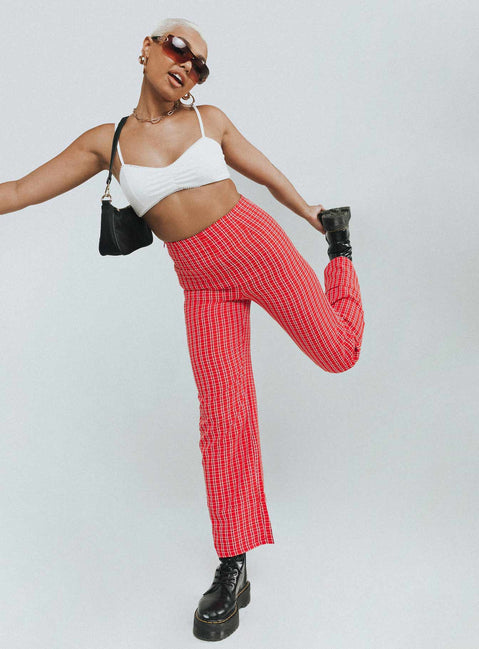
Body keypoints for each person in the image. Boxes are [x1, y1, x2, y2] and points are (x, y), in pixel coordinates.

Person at [0, 17, 364, 642]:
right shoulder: (107, 142)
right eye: (178, 49)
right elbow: (17, 191)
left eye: (199, 65)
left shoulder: (208, 121)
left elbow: (264, 173)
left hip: (258, 247)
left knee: (340, 352)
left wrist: (312, 215)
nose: (187, 66)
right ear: (146, 47)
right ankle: (233, 564)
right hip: (201, 284)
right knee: (224, 417)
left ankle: (343, 253)